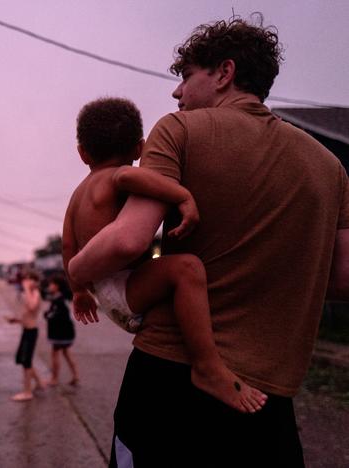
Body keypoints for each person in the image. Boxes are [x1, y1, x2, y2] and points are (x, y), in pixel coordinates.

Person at [68, 17, 349, 467]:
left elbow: (127, 241)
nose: (176, 93)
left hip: (168, 390)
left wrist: (77, 272)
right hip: (268, 402)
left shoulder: (180, 131)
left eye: (185, 76)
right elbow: (341, 280)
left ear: (224, 72)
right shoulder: (331, 167)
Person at [63, 97, 265, 412]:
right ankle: (207, 366)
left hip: (107, 290)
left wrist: (78, 291)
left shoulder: (78, 195)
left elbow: (67, 246)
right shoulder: (116, 177)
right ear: (140, 148)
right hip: (123, 289)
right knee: (186, 269)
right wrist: (182, 195)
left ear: (82, 153)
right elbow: (131, 178)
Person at [6, 271, 45, 401]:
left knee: (26, 362)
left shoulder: (35, 293)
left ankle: (27, 392)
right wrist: (16, 320)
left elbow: (32, 307)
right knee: (22, 359)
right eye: (26, 280)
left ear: (36, 282)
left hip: (31, 332)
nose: (27, 282)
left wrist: (27, 288)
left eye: (30, 280)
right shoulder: (30, 293)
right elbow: (27, 313)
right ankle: (39, 382)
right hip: (26, 330)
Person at [43, 274, 79, 386]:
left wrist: (47, 315)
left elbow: (57, 315)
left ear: (57, 286)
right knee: (66, 353)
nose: (49, 286)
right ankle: (76, 375)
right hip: (66, 332)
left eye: (51, 284)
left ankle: (54, 379)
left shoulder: (59, 299)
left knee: (55, 354)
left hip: (60, 333)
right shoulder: (61, 297)